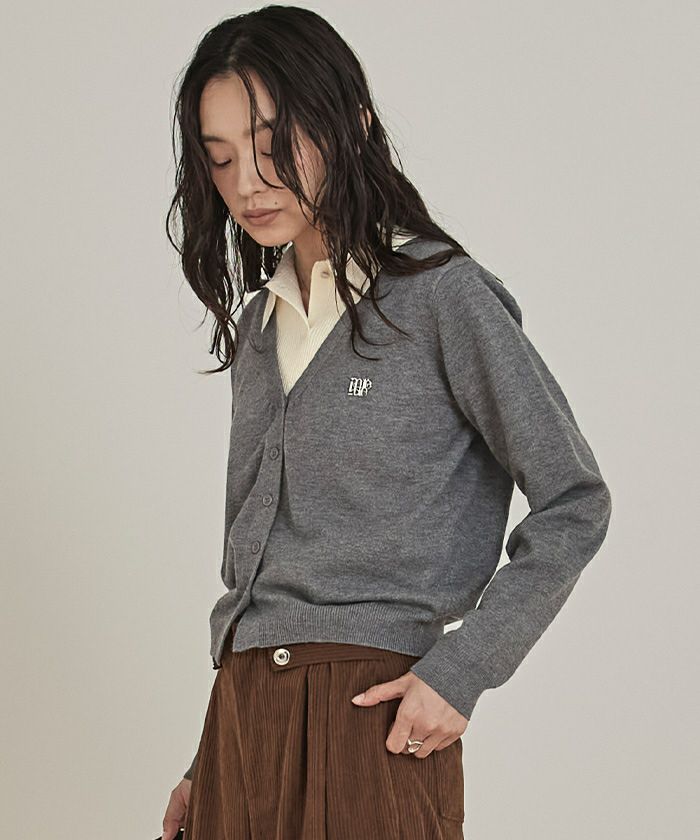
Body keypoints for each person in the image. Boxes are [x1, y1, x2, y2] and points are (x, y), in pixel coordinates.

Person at [160, 6, 612, 839]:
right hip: (242, 723)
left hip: (371, 719)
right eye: (220, 159)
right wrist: (205, 760)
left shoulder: (441, 297)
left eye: (272, 146)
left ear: (351, 125)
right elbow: (261, 581)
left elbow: (575, 500)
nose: (247, 184)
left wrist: (462, 671)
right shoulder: (260, 326)